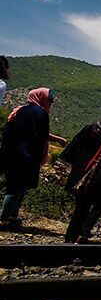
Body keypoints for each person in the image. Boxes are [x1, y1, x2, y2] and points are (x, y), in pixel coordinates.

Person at [0, 88, 66, 231]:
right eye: (49, 99)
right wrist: (59, 140)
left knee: (17, 186)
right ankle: (4, 220)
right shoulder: (40, 113)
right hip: (26, 156)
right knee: (17, 188)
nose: (51, 102)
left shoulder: (20, 110)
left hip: (11, 154)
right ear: (41, 97)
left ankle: (12, 217)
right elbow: (42, 134)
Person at [62, 110, 101, 243]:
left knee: (80, 205)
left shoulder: (89, 128)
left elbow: (72, 148)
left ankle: (72, 235)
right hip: (93, 177)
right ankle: (74, 236)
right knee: (84, 207)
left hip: (78, 171)